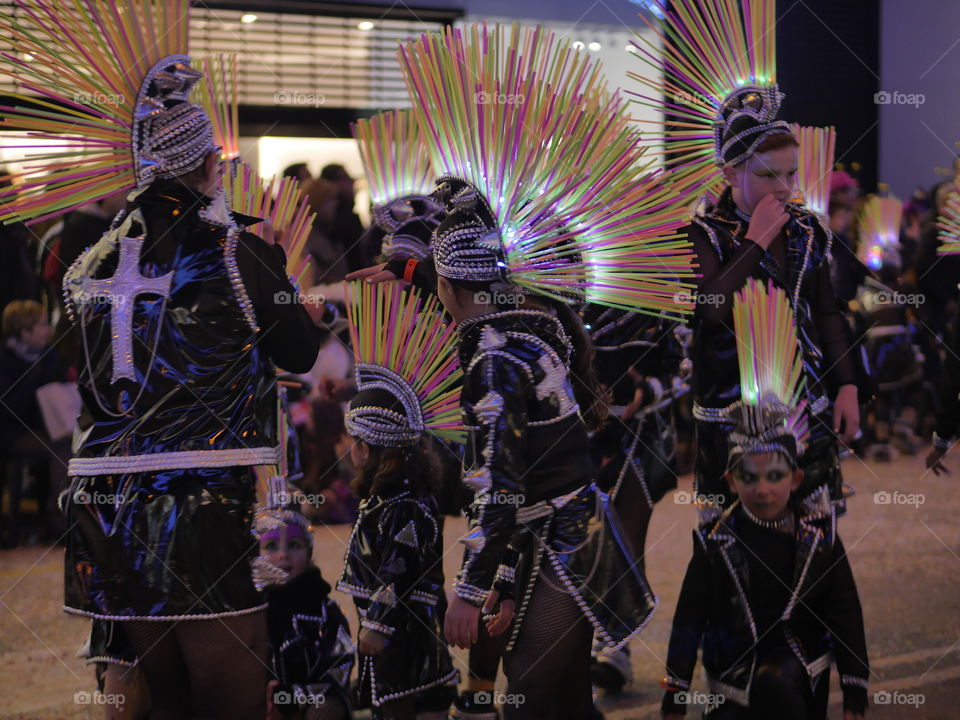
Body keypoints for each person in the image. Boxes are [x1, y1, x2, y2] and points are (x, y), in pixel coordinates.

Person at [0, 5, 328, 717]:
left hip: (105, 503)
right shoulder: (236, 251)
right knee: (230, 697)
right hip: (202, 498)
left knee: (161, 697)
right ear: (210, 165)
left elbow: (76, 365)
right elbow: (300, 354)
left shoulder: (82, 261)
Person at [398, 24, 697, 719]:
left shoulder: (495, 356)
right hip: (560, 534)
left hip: (564, 538)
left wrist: (471, 590)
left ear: (445, 286)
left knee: (533, 701)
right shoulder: (529, 325)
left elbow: (498, 487)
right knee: (557, 701)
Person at [634, 0, 860, 515]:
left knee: (813, 533)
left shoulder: (808, 230)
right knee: (729, 546)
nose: (783, 188)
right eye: (766, 175)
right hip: (727, 415)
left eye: (790, 174)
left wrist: (847, 385)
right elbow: (710, 308)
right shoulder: (702, 235)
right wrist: (754, 242)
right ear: (730, 173)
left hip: (807, 406)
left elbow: (827, 311)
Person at [660, 279, 869, 720]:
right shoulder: (716, 542)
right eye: (749, 478)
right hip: (730, 677)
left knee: (776, 686)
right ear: (731, 482)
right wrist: (675, 692)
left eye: (775, 477)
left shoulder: (819, 538)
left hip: (796, 676)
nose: (763, 488)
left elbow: (845, 614)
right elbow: (689, 620)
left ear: (795, 479)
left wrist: (855, 691)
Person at [337, 281, 461, 720]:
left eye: (353, 442)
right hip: (400, 634)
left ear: (368, 450)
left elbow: (397, 569)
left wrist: (376, 624)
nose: (348, 451)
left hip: (406, 637)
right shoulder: (391, 498)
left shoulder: (406, 505)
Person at [258, 509, 354, 720]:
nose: (283, 555)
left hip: (310, 702)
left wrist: (290, 698)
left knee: (324, 711)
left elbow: (339, 669)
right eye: (271, 546)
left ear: (308, 553)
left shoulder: (324, 610)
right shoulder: (247, 607)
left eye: (294, 545)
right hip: (258, 700)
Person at [0, 299, 71, 546]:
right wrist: (35, 376)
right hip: (11, 432)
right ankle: (61, 524)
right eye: (41, 325)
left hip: (43, 427)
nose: (48, 331)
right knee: (63, 447)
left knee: (74, 440)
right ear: (24, 331)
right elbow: (9, 407)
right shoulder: (5, 359)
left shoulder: (48, 354)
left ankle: (62, 517)